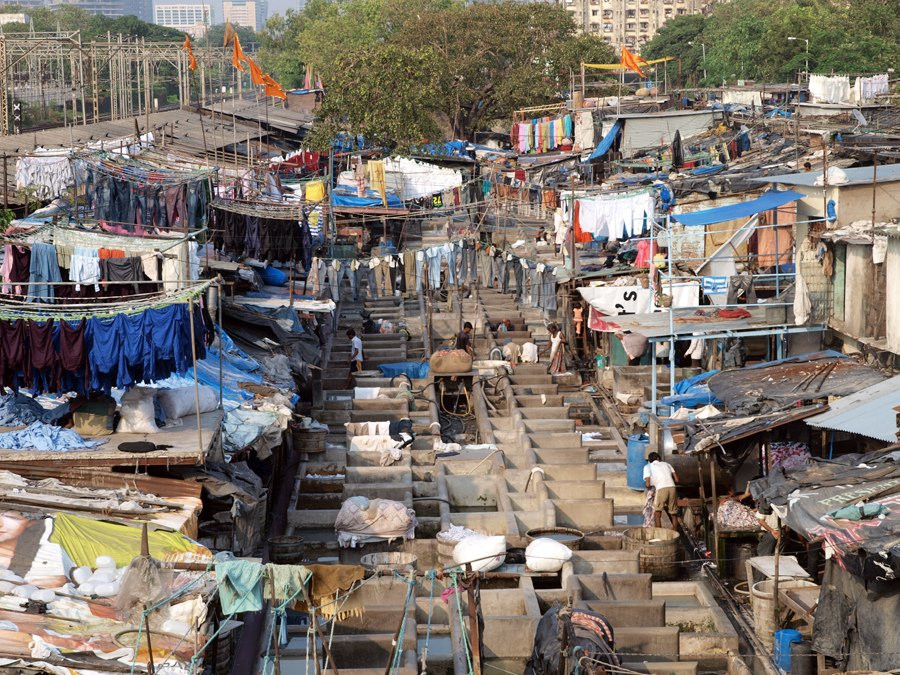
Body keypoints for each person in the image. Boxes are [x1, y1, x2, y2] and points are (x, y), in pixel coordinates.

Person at [643, 452, 680, 530]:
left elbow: (647, 484)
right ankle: (675, 533)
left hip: (661, 488)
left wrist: (652, 490)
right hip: (672, 487)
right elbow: (677, 480)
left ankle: (659, 534)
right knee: (673, 513)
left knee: (657, 513)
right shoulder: (667, 464)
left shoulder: (647, 467)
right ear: (658, 458)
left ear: (649, 460)